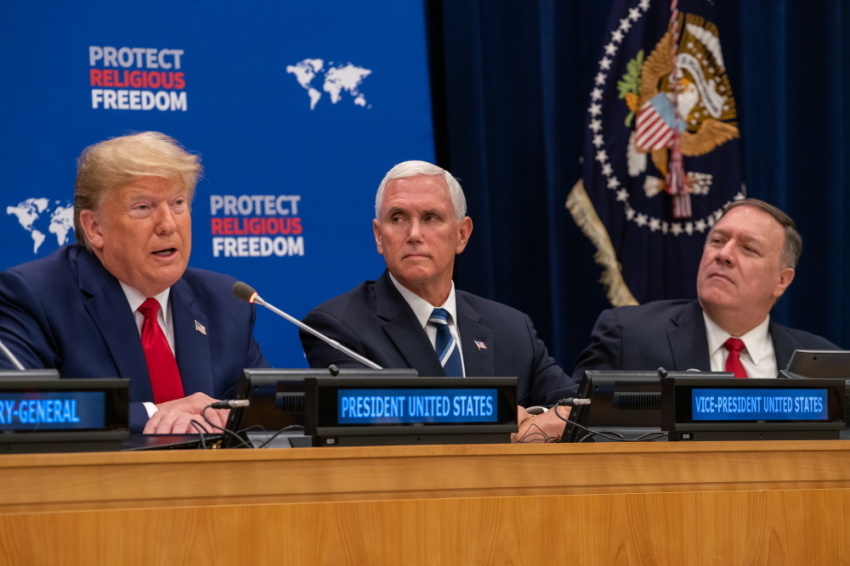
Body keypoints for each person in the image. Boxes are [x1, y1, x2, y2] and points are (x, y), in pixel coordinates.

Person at [0, 132, 269, 434]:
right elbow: (15, 409)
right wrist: (153, 414)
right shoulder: (35, 296)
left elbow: (267, 413)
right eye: (143, 207)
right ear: (95, 227)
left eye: (178, 203)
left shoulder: (226, 301)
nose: (168, 224)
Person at [299, 160, 576, 442]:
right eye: (398, 218)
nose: (414, 234)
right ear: (379, 236)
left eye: (431, 218)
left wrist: (541, 424)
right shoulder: (337, 325)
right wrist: (502, 423)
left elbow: (581, 411)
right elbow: (368, 420)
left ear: (462, 234)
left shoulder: (512, 328)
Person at [572, 198, 839, 383]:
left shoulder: (824, 364)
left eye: (748, 249)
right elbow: (574, 431)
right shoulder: (627, 338)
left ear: (782, 280)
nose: (724, 254)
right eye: (718, 240)